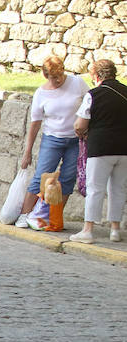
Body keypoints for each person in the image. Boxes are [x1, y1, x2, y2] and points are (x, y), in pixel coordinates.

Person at [15, 55, 88, 230]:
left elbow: (89, 104)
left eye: (59, 76)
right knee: (42, 175)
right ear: (45, 76)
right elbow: (35, 124)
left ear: (63, 72)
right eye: (52, 78)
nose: (57, 81)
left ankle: (54, 216)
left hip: (75, 139)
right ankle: (25, 214)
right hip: (52, 138)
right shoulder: (41, 93)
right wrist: (28, 151)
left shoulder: (77, 83)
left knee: (68, 178)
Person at [71, 59, 127, 243]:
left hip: (100, 147)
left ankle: (88, 230)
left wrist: (82, 133)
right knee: (118, 189)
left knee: (95, 188)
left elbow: (80, 124)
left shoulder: (93, 95)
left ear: (95, 75)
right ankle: (115, 229)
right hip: (124, 148)